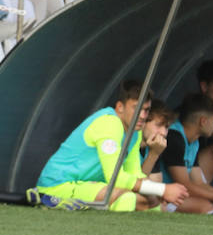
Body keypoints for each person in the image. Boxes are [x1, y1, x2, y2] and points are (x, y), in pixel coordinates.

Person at [33, 80, 186, 211]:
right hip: (57, 186)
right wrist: (163, 189)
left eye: (145, 110)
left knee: (154, 204)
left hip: (90, 185)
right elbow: (116, 178)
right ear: (120, 107)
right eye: (136, 108)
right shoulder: (109, 123)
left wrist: (156, 194)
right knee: (128, 199)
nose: (142, 115)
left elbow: (135, 175)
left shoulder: (135, 131)